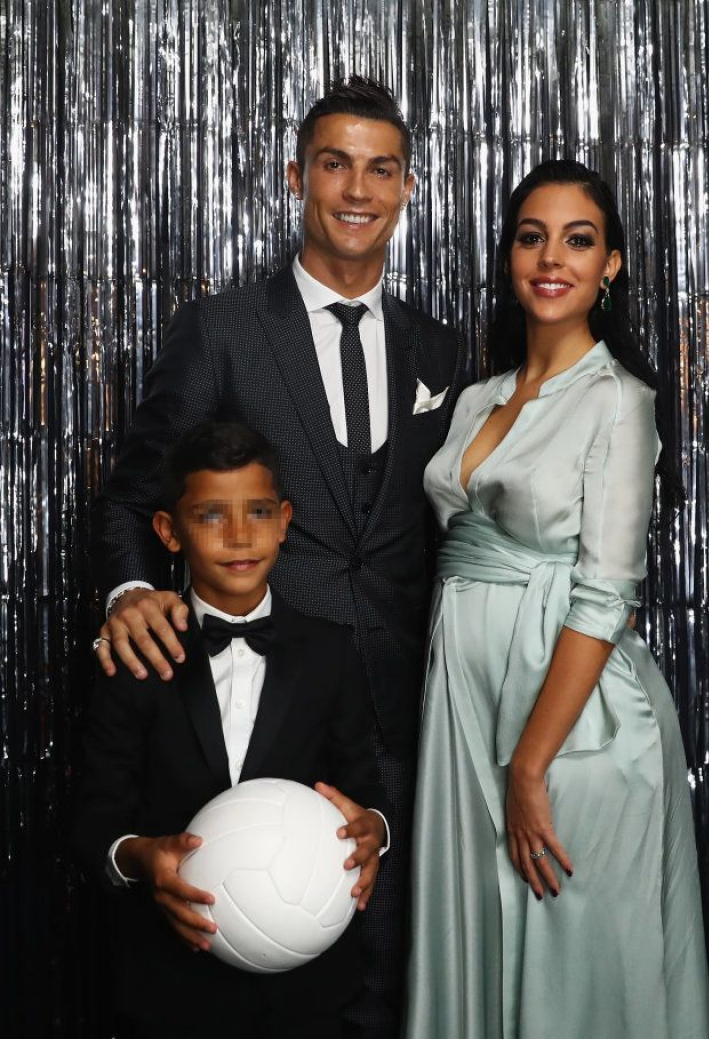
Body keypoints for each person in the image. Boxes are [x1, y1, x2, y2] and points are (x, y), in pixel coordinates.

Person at [90, 77, 462, 1039]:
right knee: (237, 983)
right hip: (258, 728)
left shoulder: (441, 350)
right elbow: (132, 496)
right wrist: (130, 591)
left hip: (410, 720)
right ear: (297, 177)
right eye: (335, 164)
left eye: (381, 169)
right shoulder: (222, 329)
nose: (357, 190)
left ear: (408, 186)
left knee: (390, 986)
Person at [405, 160, 709, 1038]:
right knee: (476, 949)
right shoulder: (477, 398)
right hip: (463, 711)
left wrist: (531, 767)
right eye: (531, 237)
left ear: (609, 265)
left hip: (570, 728)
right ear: (508, 255)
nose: (551, 259)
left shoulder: (619, 399)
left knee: (571, 978)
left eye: (579, 241)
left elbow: (606, 596)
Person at [76, 420, 390, 1039]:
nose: (240, 535)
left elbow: (366, 788)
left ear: (285, 521)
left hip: (307, 989)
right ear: (169, 531)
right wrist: (140, 857)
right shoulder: (136, 658)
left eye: (259, 512)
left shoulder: (331, 652)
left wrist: (374, 831)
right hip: (171, 988)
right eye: (211, 516)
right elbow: (94, 820)